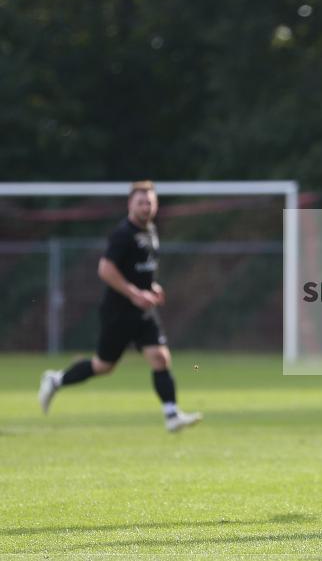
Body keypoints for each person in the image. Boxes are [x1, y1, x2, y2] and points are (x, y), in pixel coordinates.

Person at [38, 180, 202, 433]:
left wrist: (153, 287)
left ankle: (171, 415)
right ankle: (56, 380)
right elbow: (105, 269)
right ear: (130, 204)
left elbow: (142, 269)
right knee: (104, 366)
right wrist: (134, 293)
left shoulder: (150, 231)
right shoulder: (122, 234)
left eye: (150, 202)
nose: (146, 206)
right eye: (141, 202)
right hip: (119, 311)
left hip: (143, 311)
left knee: (160, 357)